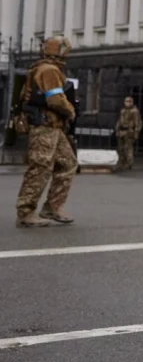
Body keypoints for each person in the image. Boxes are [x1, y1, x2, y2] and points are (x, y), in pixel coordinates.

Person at [14, 36, 78, 227]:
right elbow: (55, 99)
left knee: (68, 164)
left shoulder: (47, 68)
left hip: (54, 128)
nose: (67, 52)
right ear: (58, 50)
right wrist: (71, 110)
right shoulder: (48, 70)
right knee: (40, 167)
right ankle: (25, 211)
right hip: (44, 127)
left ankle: (52, 207)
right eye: (65, 49)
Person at [115, 96, 142, 172]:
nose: (128, 103)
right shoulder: (123, 110)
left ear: (132, 102)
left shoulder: (134, 111)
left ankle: (129, 163)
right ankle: (121, 163)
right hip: (121, 131)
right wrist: (117, 129)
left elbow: (138, 123)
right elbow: (120, 120)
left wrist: (136, 132)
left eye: (129, 101)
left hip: (129, 131)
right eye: (126, 101)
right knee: (120, 149)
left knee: (128, 148)